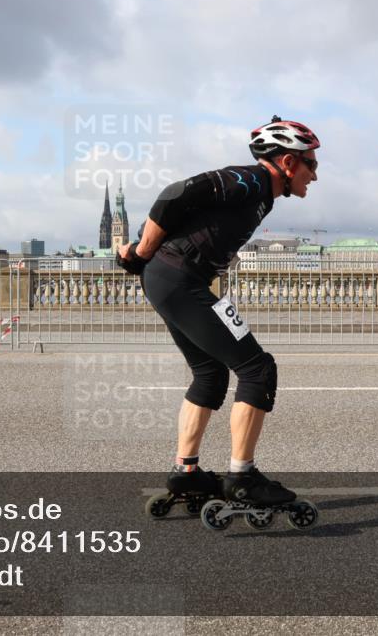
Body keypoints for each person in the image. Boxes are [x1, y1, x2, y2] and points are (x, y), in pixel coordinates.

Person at [117, 117, 321, 509]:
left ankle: (186, 471)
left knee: (210, 373)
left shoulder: (263, 194)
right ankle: (242, 476)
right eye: (311, 163)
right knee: (258, 369)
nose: (314, 174)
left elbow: (182, 214)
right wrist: (143, 251)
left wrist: (144, 251)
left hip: (172, 279)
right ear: (289, 163)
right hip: (179, 280)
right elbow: (176, 194)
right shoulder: (251, 181)